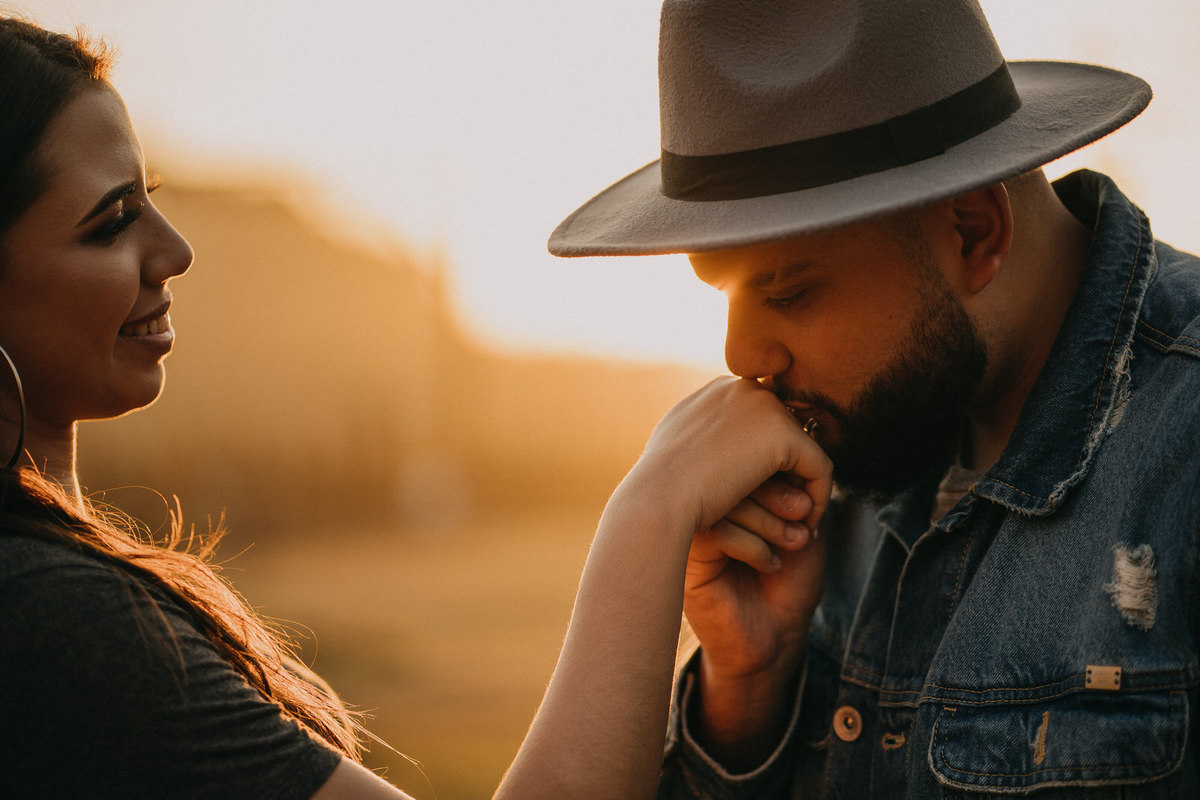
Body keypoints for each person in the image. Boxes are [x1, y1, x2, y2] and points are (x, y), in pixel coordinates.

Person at [0, 14, 820, 800]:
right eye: (111, 223)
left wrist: (740, 689)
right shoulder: (50, 615)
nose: (175, 251)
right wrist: (654, 505)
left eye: (151, 197)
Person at [544, 0, 1200, 797]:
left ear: (972, 233)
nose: (738, 356)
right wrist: (750, 685)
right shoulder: (844, 447)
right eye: (723, 293)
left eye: (789, 291)